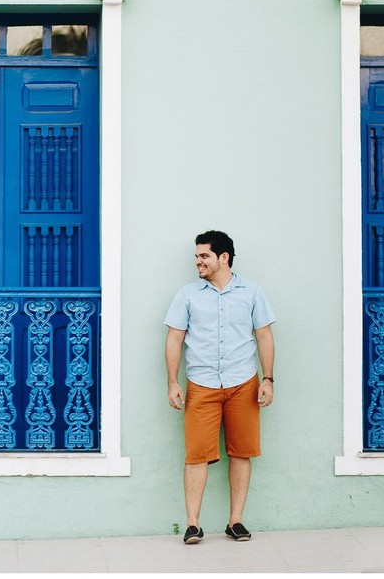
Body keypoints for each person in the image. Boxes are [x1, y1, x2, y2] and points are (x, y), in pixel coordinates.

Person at [164, 230, 275, 545]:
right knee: (196, 454)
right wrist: (173, 382)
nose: (197, 261)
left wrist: (268, 378)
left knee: (242, 452)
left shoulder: (251, 293)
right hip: (201, 384)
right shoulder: (187, 295)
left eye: (204, 256)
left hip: (244, 382)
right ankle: (193, 524)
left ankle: (236, 521)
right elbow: (174, 338)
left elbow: (264, 335)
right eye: (197, 256)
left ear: (223, 257)